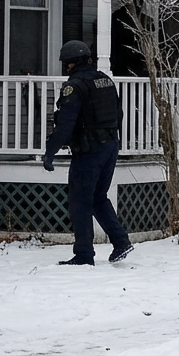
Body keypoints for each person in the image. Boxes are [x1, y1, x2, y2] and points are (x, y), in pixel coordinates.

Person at [42, 41, 133, 265]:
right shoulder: (105, 81)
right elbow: (118, 115)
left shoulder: (75, 86)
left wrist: (50, 153)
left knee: (80, 202)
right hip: (110, 146)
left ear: (70, 63)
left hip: (89, 151)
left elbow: (65, 124)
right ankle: (121, 242)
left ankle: (84, 255)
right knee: (97, 198)